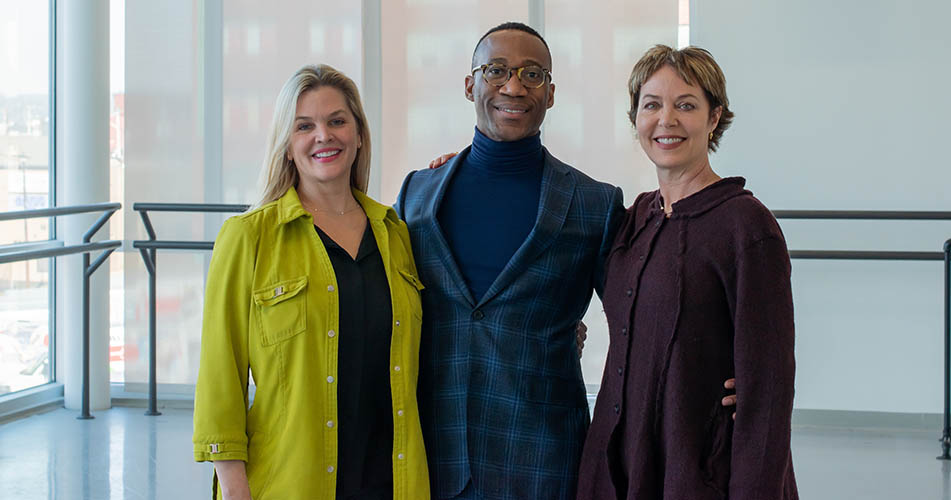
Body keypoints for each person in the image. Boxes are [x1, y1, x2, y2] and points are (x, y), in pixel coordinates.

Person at [393, 22, 623, 500]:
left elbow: (638, 320)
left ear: (552, 93)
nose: (513, 86)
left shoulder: (594, 205)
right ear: (469, 84)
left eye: (533, 74)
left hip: (545, 459)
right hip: (432, 458)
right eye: (496, 70)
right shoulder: (416, 196)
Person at [193, 64, 430, 500]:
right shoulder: (248, 238)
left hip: (391, 481)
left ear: (359, 135)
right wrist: (234, 489)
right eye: (305, 126)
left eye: (337, 121)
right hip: (290, 482)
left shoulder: (395, 234)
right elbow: (219, 380)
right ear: (287, 145)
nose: (324, 136)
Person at [576, 45, 798, 499]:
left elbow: (767, 393)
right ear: (635, 117)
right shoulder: (635, 220)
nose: (666, 120)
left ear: (715, 117)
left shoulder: (747, 227)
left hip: (699, 471)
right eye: (652, 105)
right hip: (620, 462)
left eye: (686, 105)